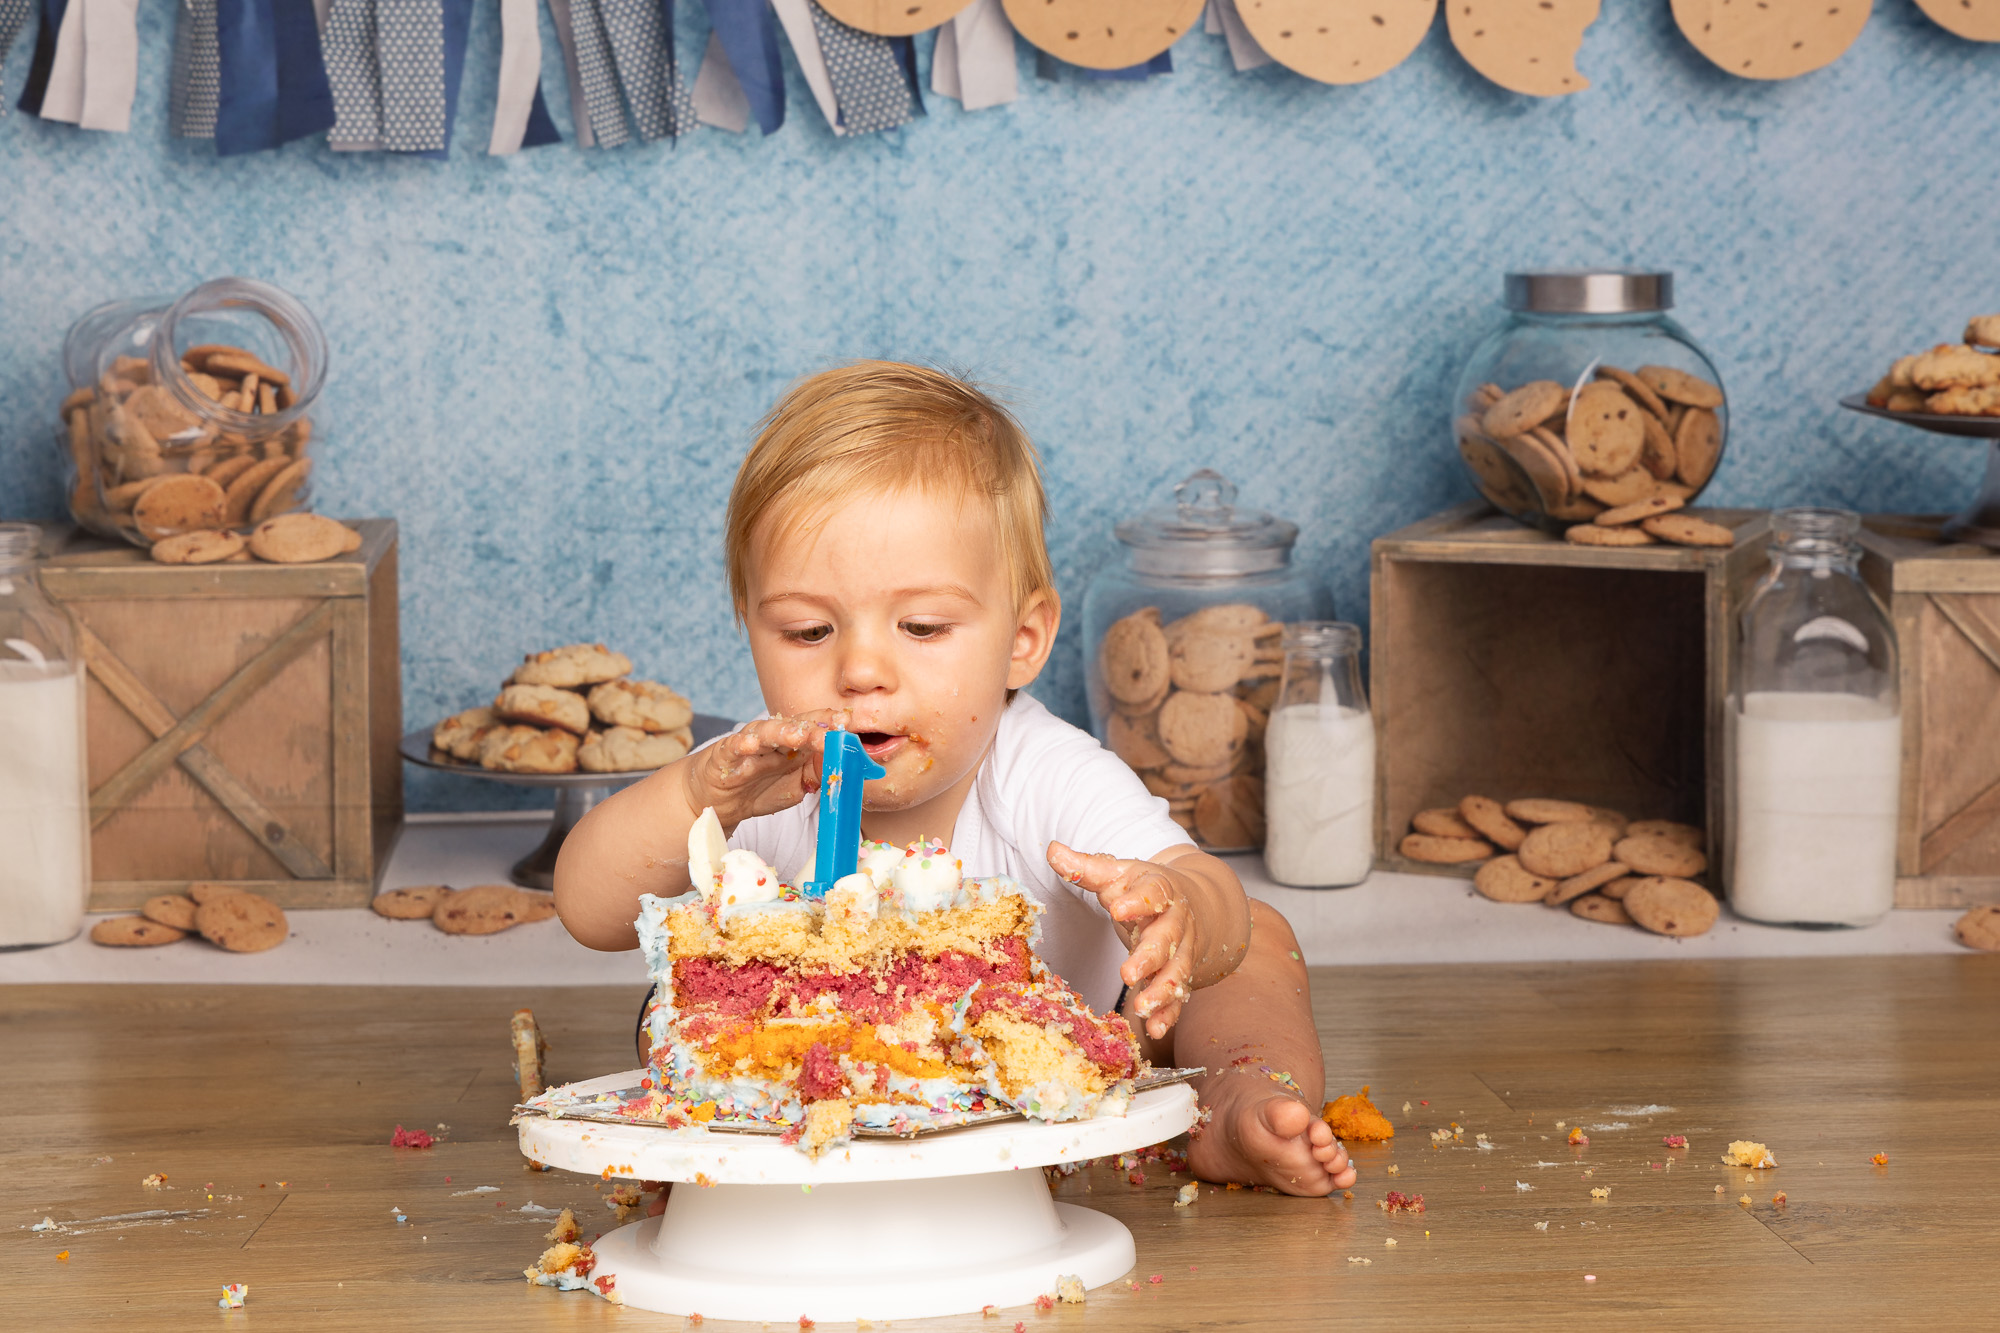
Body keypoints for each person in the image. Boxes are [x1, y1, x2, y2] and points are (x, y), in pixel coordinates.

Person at [553, 361, 1355, 1196]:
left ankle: (1234, 1099)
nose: (860, 670)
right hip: (803, 1076)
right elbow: (586, 907)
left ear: (1022, 640)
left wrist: (1180, 907)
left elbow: (1197, 882)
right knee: (676, 999)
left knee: (1252, 938)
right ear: (750, 625)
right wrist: (694, 798)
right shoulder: (752, 777)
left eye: (923, 626)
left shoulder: (1045, 773)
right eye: (808, 630)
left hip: (1066, 1078)